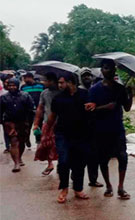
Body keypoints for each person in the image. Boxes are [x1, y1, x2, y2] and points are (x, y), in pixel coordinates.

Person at [87, 59, 133, 200]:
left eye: (112, 68)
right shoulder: (94, 90)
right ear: (102, 70)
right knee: (103, 159)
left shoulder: (120, 89)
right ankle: (108, 185)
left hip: (117, 128)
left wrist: (130, 95)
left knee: (123, 157)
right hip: (101, 129)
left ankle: (121, 187)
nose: (109, 70)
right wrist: (105, 107)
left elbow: (127, 108)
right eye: (106, 68)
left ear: (115, 70)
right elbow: (89, 110)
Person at [47, 74, 91, 203]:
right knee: (64, 161)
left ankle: (78, 188)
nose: (59, 85)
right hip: (63, 134)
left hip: (81, 134)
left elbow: (92, 110)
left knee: (80, 162)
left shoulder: (85, 94)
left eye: (62, 82)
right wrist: (47, 131)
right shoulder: (58, 98)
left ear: (71, 82)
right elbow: (52, 116)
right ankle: (64, 188)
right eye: (59, 83)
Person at [0, 78, 35, 172]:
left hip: (23, 122)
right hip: (10, 122)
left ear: (17, 85)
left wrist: (31, 122)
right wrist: (2, 122)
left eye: (13, 85)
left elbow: (31, 109)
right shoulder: (4, 97)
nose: (11, 87)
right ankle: (16, 163)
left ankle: (19, 157)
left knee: (22, 142)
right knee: (13, 141)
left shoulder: (25, 96)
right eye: (10, 85)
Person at [33, 73, 61, 175]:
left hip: (61, 123)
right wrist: (36, 123)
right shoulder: (44, 93)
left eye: (45, 80)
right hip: (47, 123)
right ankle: (50, 164)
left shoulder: (62, 92)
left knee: (59, 145)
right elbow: (40, 108)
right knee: (46, 144)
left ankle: (60, 164)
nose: (43, 82)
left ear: (52, 81)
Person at [78, 68, 102, 187]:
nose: (86, 78)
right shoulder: (78, 92)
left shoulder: (95, 91)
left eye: (88, 76)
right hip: (80, 128)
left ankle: (93, 179)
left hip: (94, 127)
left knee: (94, 156)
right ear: (80, 78)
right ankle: (76, 178)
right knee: (80, 156)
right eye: (84, 76)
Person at [21, 72, 45, 145]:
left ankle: (38, 140)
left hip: (39, 109)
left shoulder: (41, 86)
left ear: (30, 77)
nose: (24, 80)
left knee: (38, 125)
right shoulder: (23, 87)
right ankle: (27, 138)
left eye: (25, 78)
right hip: (28, 110)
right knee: (27, 125)